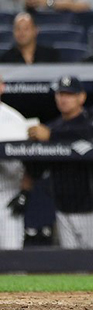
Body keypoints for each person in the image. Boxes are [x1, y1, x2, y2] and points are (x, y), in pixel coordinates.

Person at [27, 76, 93, 249]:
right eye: (60, 94)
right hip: (63, 208)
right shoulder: (52, 126)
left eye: (69, 94)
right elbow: (38, 167)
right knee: (71, 267)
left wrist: (51, 137)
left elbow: (92, 131)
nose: (63, 98)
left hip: (92, 208)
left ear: (81, 97)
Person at [0, 75, 30, 250]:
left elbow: (31, 162)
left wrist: (25, 192)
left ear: (2, 87)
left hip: (7, 194)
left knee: (11, 256)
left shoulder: (15, 120)